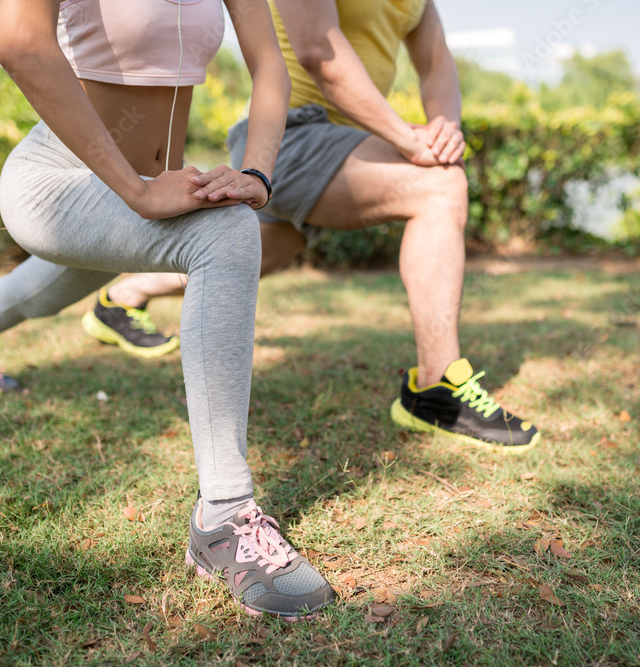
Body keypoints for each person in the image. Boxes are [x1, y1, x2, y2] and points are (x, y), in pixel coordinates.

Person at [0, 0, 333, 620]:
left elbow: (270, 63)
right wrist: (135, 190)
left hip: (136, 192)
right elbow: (21, 45)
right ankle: (223, 516)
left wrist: (258, 174)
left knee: (47, 289)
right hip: (57, 182)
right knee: (226, 233)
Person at [85, 0, 542, 454]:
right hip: (289, 136)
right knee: (441, 187)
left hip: (347, 147)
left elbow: (436, 62)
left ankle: (123, 296)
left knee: (260, 251)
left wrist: (445, 130)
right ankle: (437, 388)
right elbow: (316, 52)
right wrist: (408, 139)